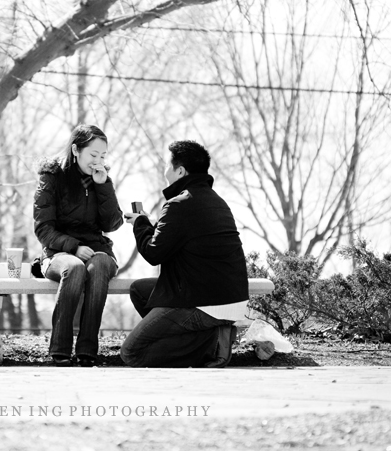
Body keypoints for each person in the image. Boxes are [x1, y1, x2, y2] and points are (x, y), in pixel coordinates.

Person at [121, 140, 249, 368]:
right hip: (226, 296)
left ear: (180, 170)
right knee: (140, 291)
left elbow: (153, 253)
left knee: (132, 353)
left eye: (167, 166)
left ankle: (210, 346)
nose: (165, 171)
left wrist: (140, 223)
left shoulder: (179, 204)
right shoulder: (216, 201)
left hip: (203, 302)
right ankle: (207, 336)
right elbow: (170, 240)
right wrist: (148, 223)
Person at [33, 124, 124, 366]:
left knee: (100, 265)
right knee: (74, 267)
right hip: (58, 253)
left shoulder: (102, 178)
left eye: (103, 156)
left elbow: (113, 223)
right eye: (93, 155)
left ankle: (87, 350)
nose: (98, 161)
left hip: (98, 250)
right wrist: (73, 247)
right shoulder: (52, 176)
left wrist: (103, 185)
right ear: (76, 149)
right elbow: (43, 228)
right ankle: (60, 350)